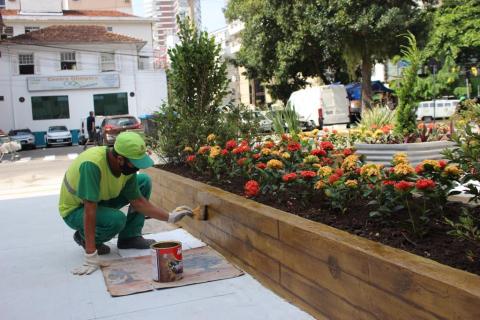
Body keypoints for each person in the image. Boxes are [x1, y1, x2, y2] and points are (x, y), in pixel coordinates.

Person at [59, 131, 192, 275]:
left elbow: (139, 202)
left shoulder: (125, 169)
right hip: (76, 210)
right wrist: (90, 256)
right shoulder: (92, 165)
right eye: (135, 164)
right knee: (117, 220)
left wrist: (170, 217)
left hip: (101, 200)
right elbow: (89, 210)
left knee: (144, 181)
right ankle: (84, 237)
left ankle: (130, 237)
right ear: (120, 159)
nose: (137, 168)